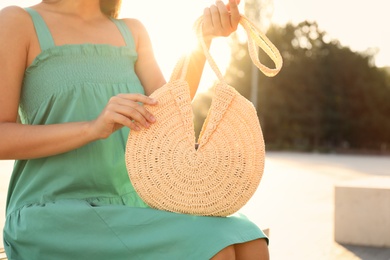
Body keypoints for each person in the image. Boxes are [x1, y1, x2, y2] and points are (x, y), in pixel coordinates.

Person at [0, 0, 269, 259]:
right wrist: (93, 128)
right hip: (50, 210)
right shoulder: (17, 22)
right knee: (213, 248)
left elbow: (167, 109)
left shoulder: (133, 31)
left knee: (250, 239)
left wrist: (204, 37)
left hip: (133, 206)